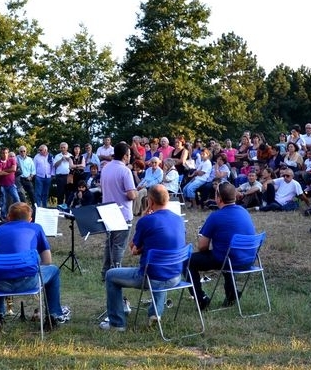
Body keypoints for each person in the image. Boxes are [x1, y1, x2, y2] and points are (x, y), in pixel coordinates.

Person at [99, 185, 184, 331]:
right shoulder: (178, 219)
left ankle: (117, 323)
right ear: (168, 199)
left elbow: (133, 249)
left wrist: (144, 217)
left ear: (150, 202)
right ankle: (155, 313)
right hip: (176, 276)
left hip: (151, 277)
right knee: (161, 265)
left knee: (111, 275)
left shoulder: (147, 221)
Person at [0, 203, 71, 327]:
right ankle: (52, 316)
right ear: (30, 219)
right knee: (53, 270)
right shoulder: (36, 228)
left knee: (0, 269)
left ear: (8, 217)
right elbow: (47, 260)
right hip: (28, 282)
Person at [188, 182, 256, 309]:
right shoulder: (244, 211)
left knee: (188, 261)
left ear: (218, 198)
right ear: (234, 196)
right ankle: (232, 295)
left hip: (230, 261)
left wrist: (200, 236)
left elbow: (202, 247)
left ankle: (201, 299)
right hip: (249, 259)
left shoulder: (215, 216)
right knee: (225, 251)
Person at [99, 142, 137, 282]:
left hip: (107, 210)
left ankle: (106, 272)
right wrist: (137, 193)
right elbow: (131, 195)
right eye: (129, 155)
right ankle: (116, 272)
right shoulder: (125, 171)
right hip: (122, 212)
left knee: (109, 243)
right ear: (126, 156)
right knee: (119, 245)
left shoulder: (106, 168)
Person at [0, 147, 20, 218]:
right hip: (2, 185)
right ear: (1, 154)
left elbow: (14, 169)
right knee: (4, 202)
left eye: (6, 153)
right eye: (3, 153)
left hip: (11, 184)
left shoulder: (12, 160)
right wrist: (9, 171)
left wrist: (4, 171)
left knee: (17, 199)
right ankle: (3, 217)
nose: (5, 154)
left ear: (8, 153)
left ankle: (20, 214)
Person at [53, 142, 72, 206]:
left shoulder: (70, 155)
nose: (63, 149)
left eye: (64, 147)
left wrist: (67, 159)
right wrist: (61, 160)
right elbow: (55, 165)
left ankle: (67, 207)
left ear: (67, 148)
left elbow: (73, 165)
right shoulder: (57, 156)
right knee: (60, 193)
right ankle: (59, 207)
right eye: (61, 147)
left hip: (68, 176)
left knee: (68, 193)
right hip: (60, 177)